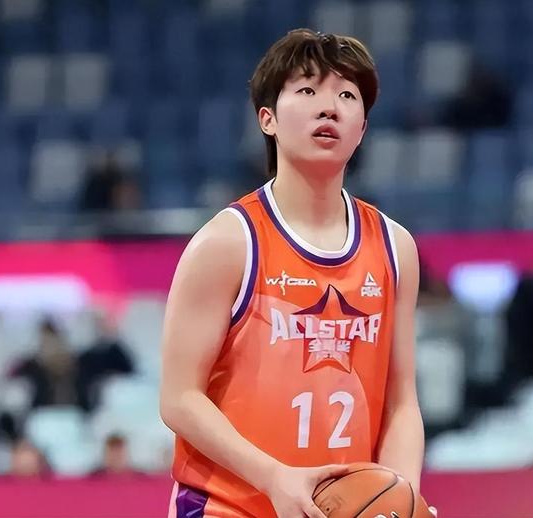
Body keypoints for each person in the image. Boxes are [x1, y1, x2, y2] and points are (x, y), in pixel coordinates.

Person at [160, 29, 427, 517]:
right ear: (268, 119)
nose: (329, 108)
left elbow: (401, 402)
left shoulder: (395, 248)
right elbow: (178, 399)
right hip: (229, 507)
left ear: (362, 128)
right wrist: (274, 477)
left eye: (346, 95)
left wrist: (400, 498)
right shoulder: (227, 242)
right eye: (307, 90)